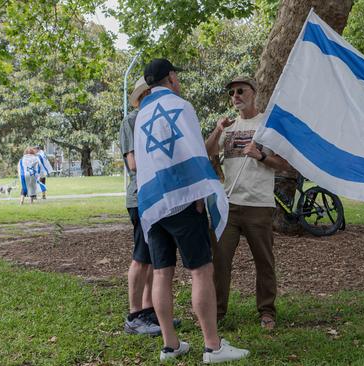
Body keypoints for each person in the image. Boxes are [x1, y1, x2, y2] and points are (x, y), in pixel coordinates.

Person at [134, 59, 249, 363]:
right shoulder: (180, 106)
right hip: (182, 200)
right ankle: (213, 346)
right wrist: (199, 190)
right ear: (171, 77)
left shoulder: (140, 114)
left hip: (152, 203)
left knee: (161, 274)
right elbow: (193, 152)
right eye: (177, 76)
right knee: (201, 271)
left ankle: (170, 345)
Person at [205, 76, 290, 330]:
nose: (235, 96)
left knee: (264, 261)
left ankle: (267, 312)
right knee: (219, 261)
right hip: (229, 205)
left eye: (240, 91)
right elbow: (207, 151)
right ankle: (217, 313)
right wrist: (219, 129)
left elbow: (285, 164)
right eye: (231, 93)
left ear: (254, 93)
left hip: (259, 206)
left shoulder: (267, 125)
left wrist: (261, 155)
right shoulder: (228, 127)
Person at [119, 76, 174, 336]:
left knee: (153, 257)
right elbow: (133, 164)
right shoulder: (131, 121)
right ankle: (134, 316)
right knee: (141, 258)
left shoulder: (156, 117)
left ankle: (149, 311)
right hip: (141, 196)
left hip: (158, 195)